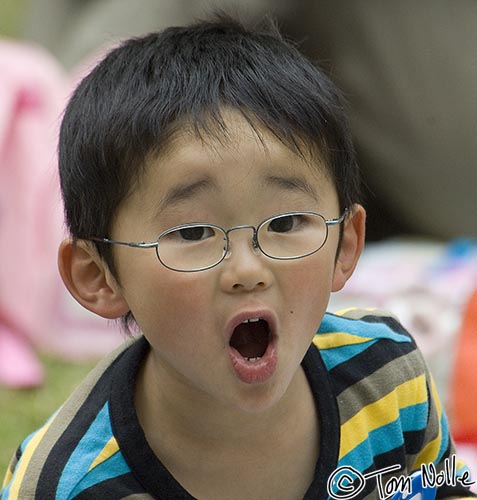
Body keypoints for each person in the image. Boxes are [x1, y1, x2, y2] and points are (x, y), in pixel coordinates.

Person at [1, 16, 475, 500]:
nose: (247, 271)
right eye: (193, 232)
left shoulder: (389, 378)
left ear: (346, 243)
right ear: (97, 276)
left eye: (286, 224)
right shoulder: (66, 486)